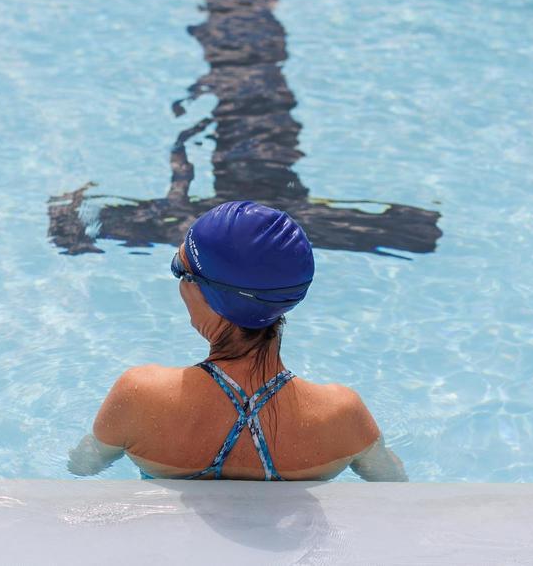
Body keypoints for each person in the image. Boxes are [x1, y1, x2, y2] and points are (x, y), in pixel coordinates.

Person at [68, 200, 407, 481]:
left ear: (203, 291)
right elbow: (397, 490)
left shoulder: (141, 396)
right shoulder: (340, 417)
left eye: (180, 269)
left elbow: (81, 468)